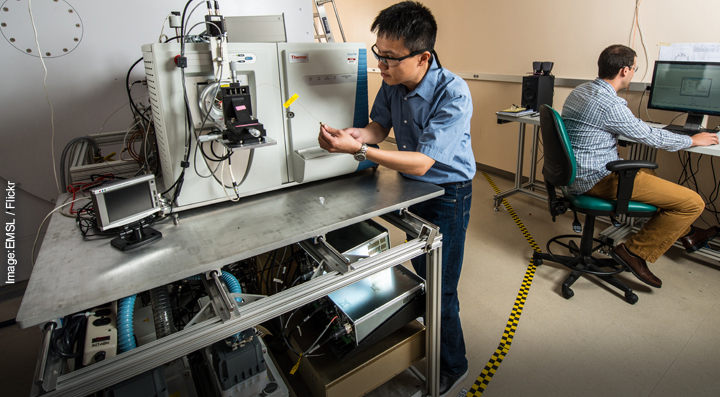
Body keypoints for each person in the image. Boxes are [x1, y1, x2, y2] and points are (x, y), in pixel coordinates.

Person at [317, 2, 473, 395]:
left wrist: (357, 152)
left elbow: (422, 162)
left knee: (442, 288)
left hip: (447, 194)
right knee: (424, 273)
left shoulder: (453, 92)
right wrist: (354, 135)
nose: (382, 66)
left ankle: (453, 364)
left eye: (390, 58)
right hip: (413, 190)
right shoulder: (391, 84)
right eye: (378, 54)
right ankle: (430, 337)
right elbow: (378, 127)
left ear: (423, 57)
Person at [562, 44, 720, 289]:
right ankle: (633, 252)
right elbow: (652, 137)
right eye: (635, 68)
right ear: (625, 70)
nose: (634, 72)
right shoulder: (611, 105)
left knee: (648, 173)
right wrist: (692, 140)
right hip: (597, 179)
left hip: (577, 174)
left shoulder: (580, 91)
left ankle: (688, 233)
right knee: (693, 202)